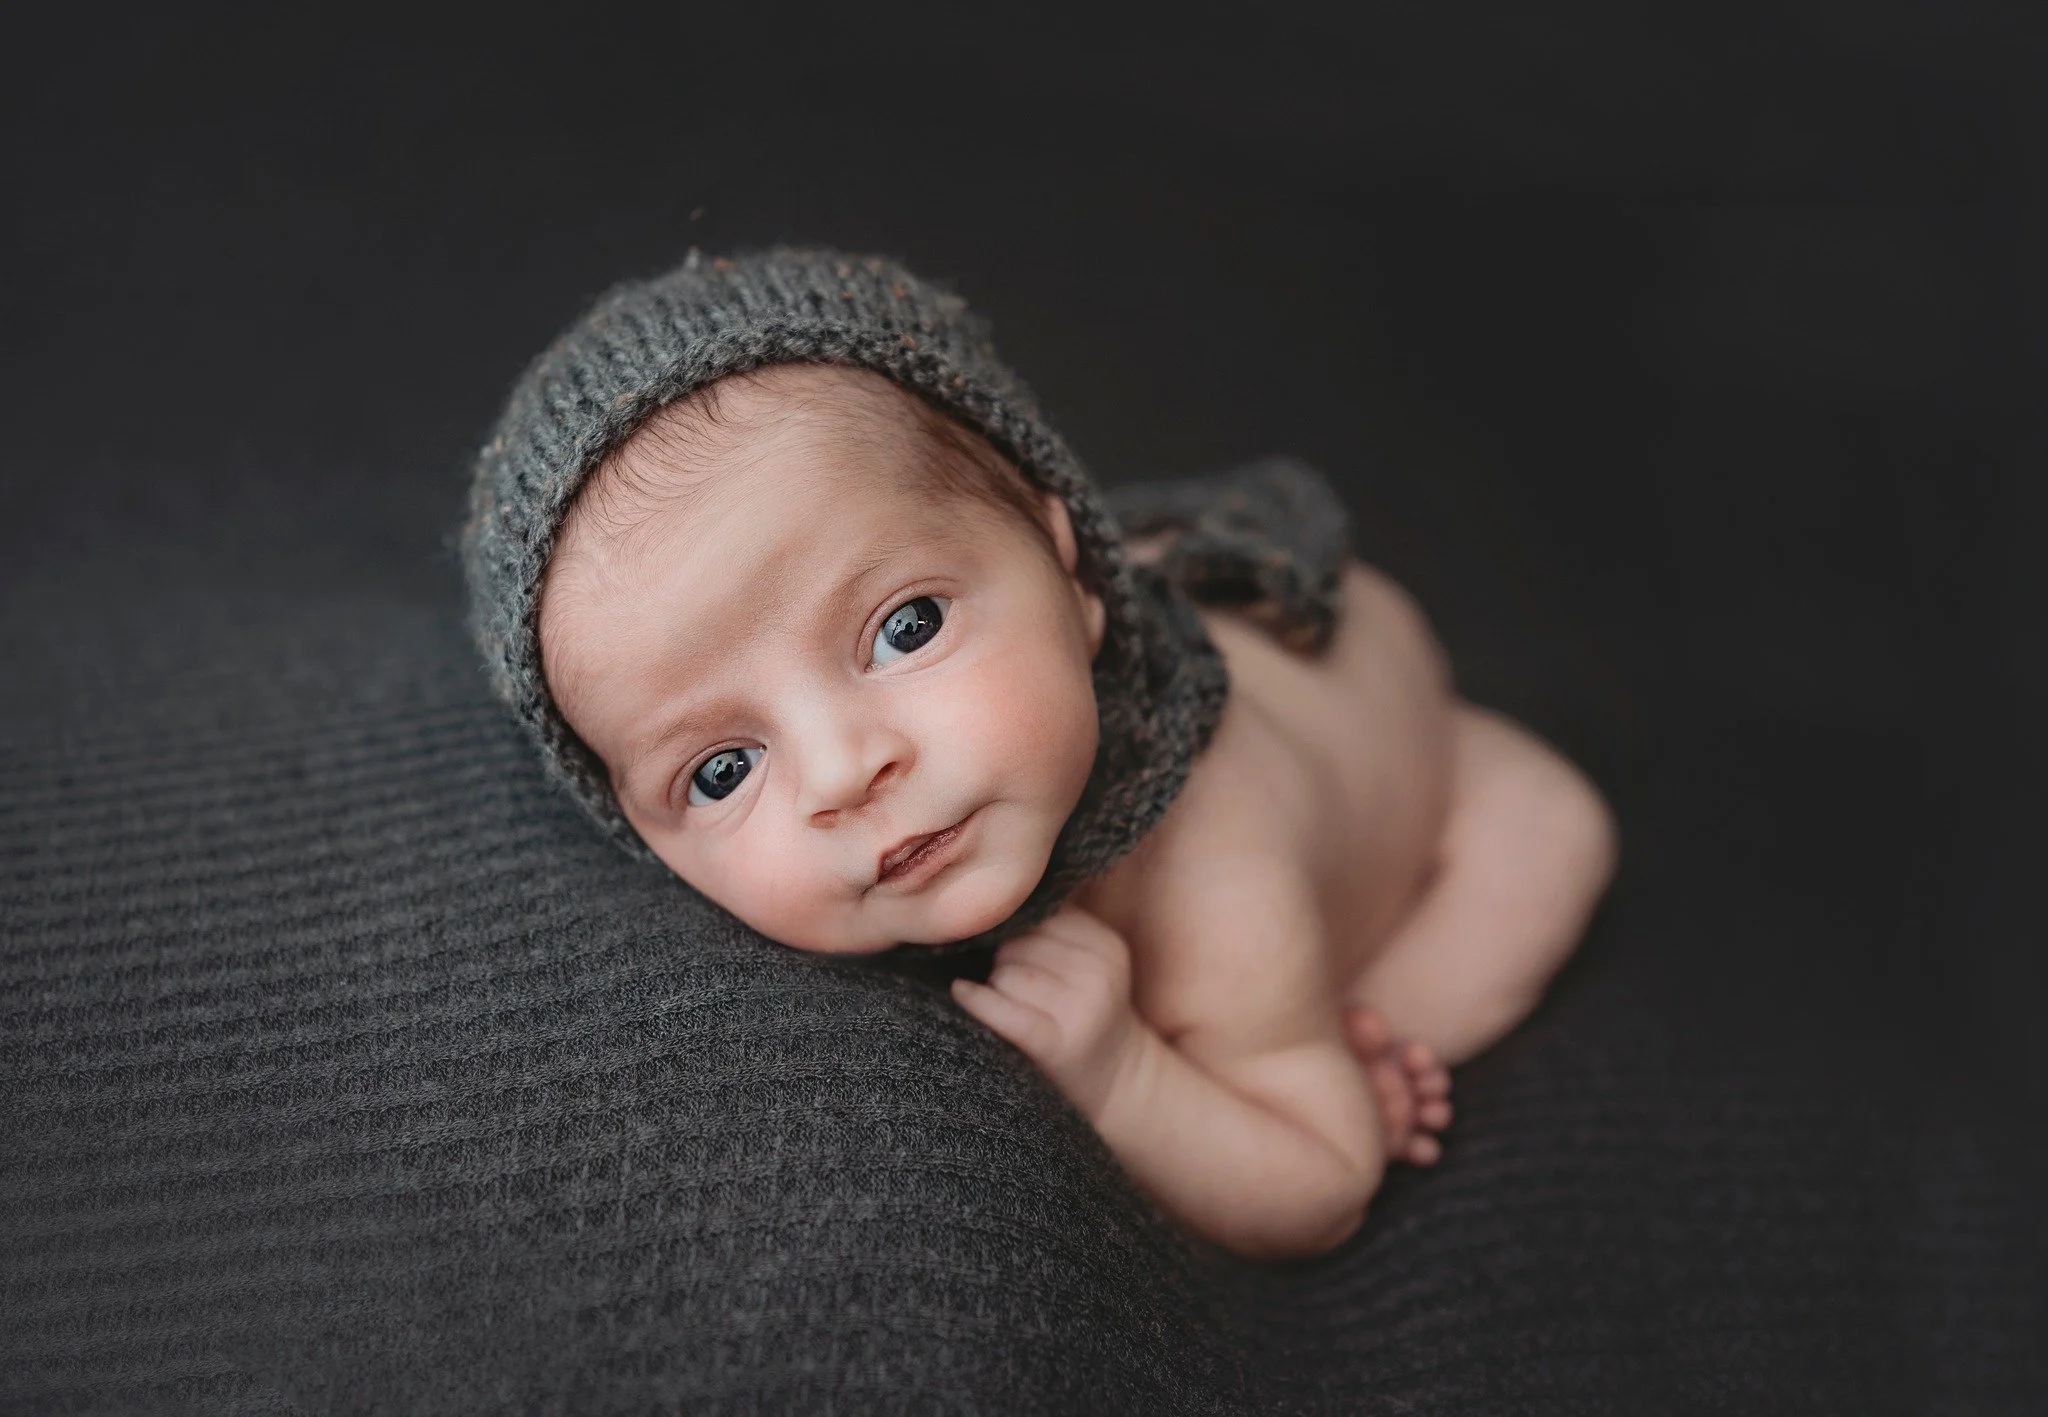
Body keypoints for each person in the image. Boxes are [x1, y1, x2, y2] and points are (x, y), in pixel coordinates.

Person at [465, 249, 1616, 1259]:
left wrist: (1128, 1073)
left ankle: (1368, 1021)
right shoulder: (902, 774)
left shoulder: (1214, 861)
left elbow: (1323, 1181)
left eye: (903, 626)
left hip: (1406, 725)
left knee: (1550, 837)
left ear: (1075, 580)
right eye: (721, 770)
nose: (841, 772)